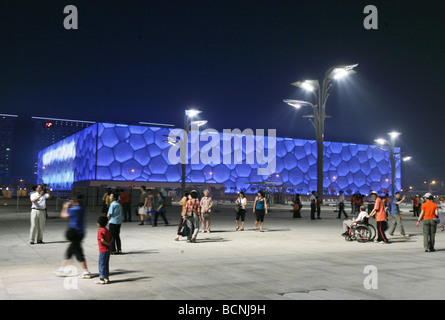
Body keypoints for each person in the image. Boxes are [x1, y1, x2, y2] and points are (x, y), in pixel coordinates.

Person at [54, 195, 92, 279]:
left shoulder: (75, 209)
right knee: (70, 251)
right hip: (80, 232)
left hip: (75, 233)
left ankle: (86, 271)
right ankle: (62, 268)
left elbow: (63, 215)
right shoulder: (82, 209)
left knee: (78, 253)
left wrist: (65, 207)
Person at [96, 215, 113, 284]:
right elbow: (112, 238)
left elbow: (102, 240)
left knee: (101, 264)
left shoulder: (100, 231)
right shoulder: (106, 230)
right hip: (108, 250)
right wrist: (109, 243)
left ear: (99, 224)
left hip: (103, 250)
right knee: (106, 263)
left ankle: (101, 279)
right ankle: (106, 277)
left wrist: (107, 243)